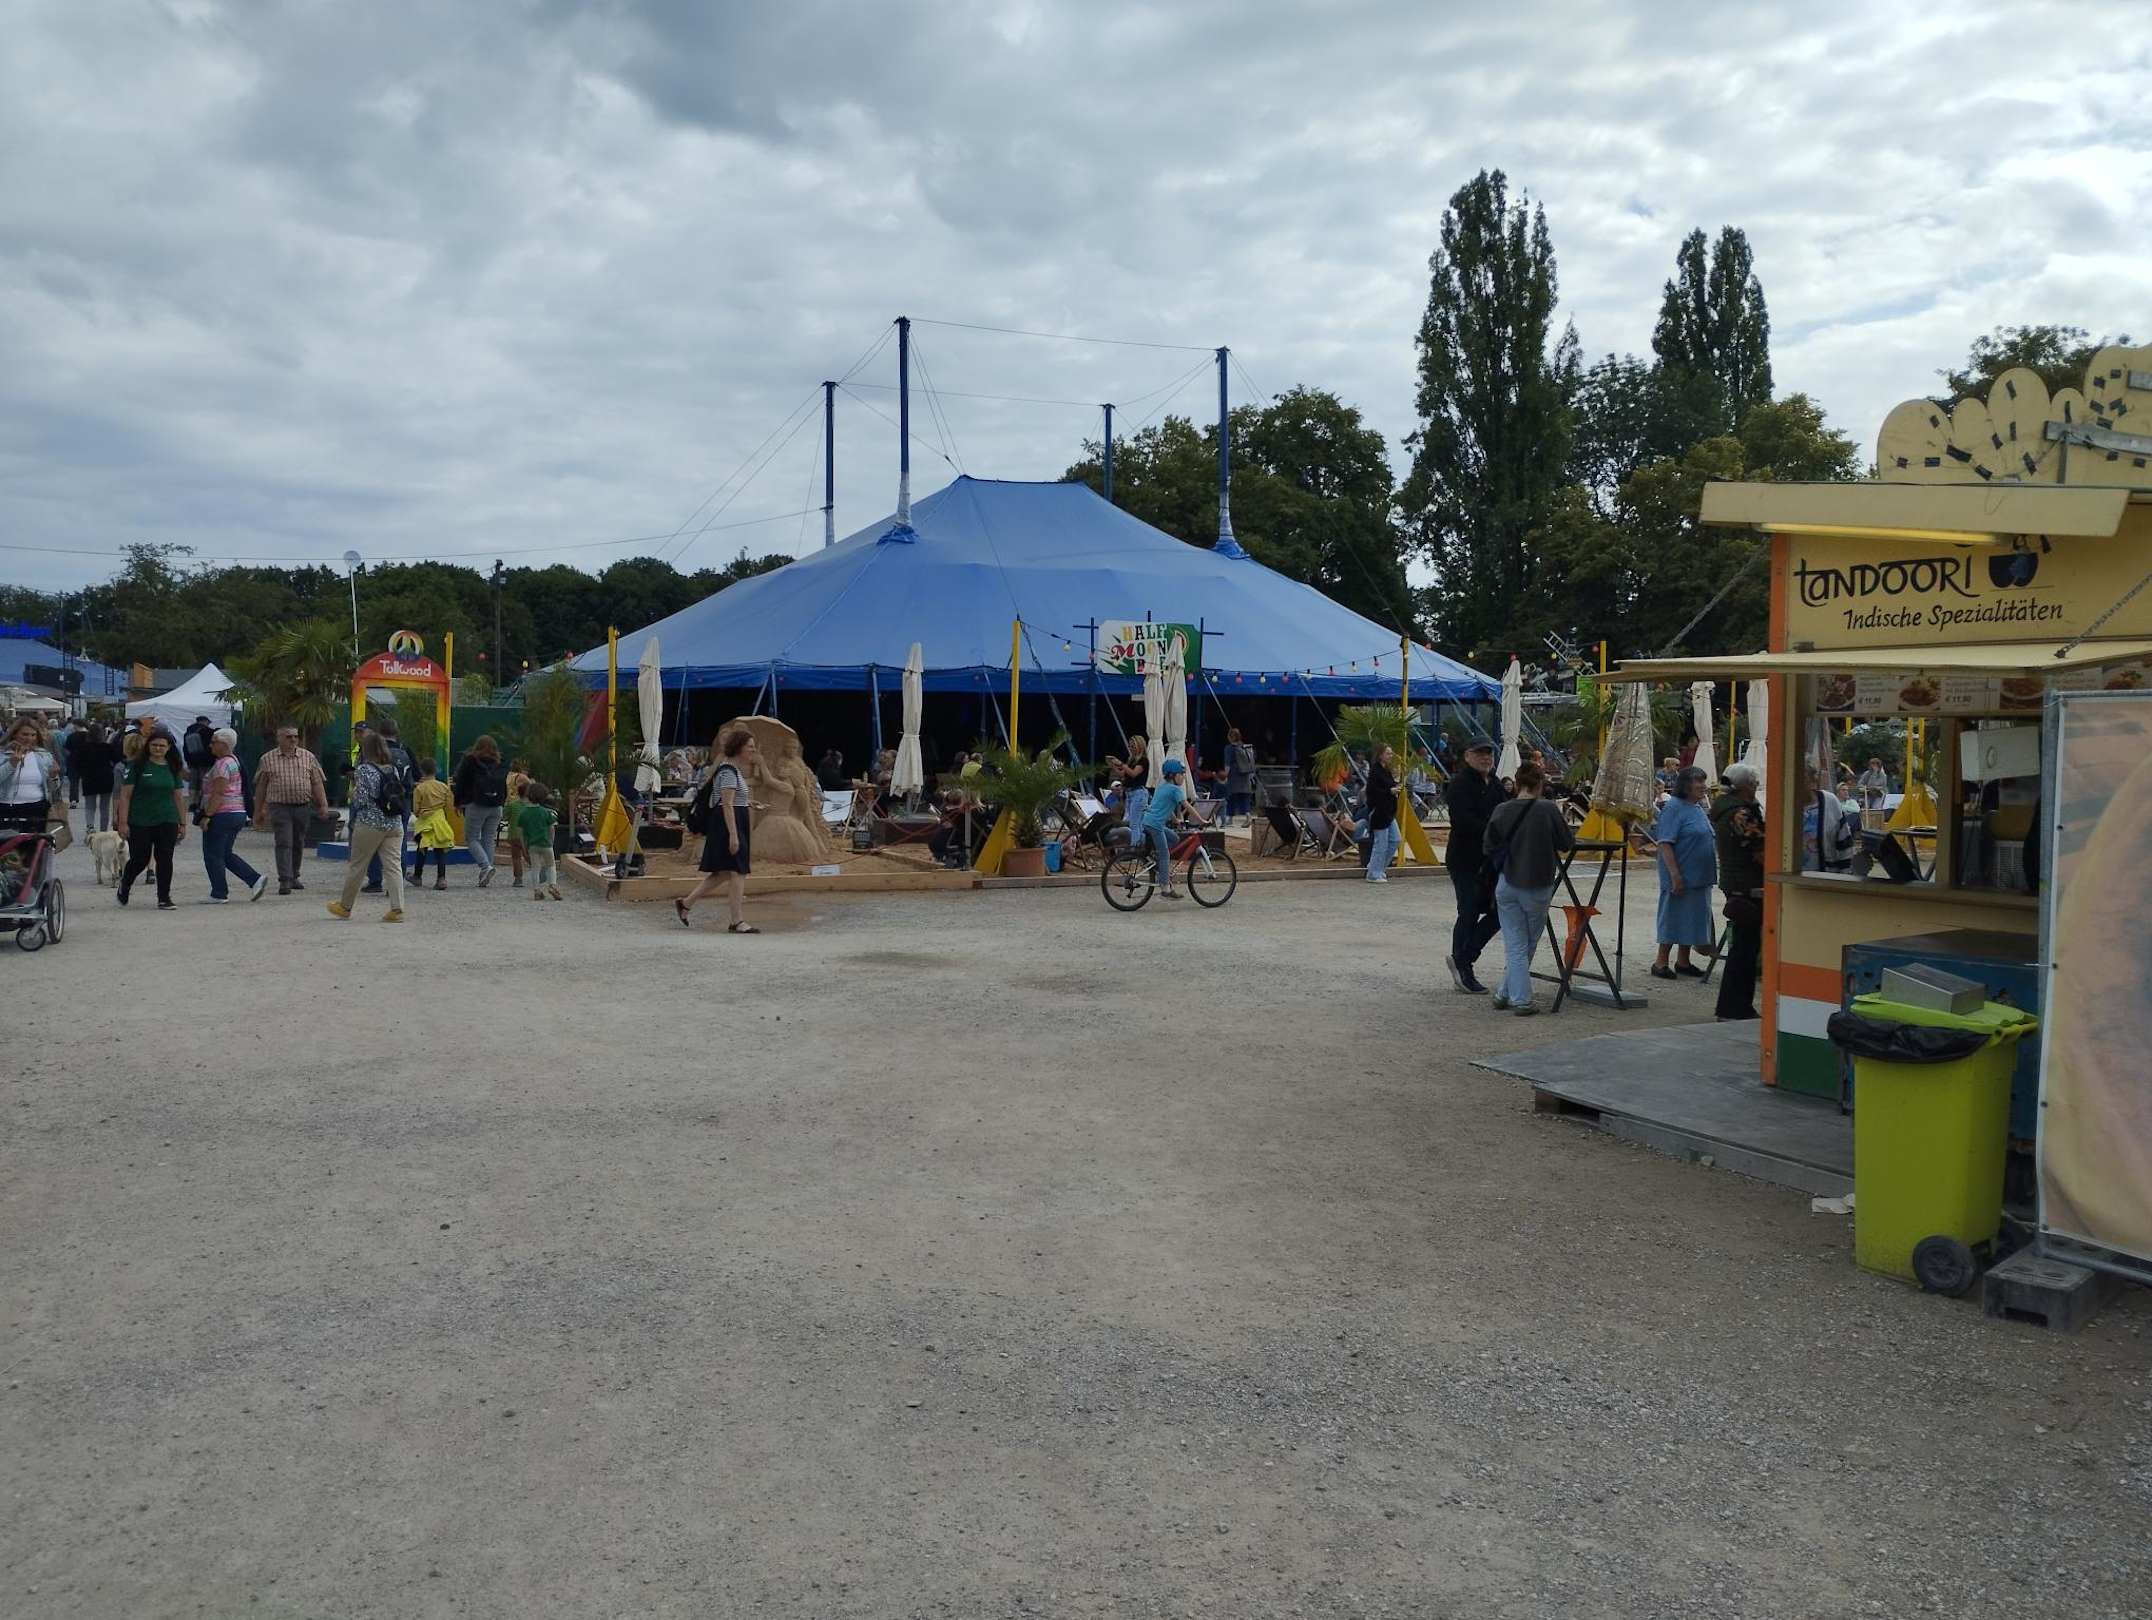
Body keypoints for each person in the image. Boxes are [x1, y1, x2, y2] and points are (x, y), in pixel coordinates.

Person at [1483, 761, 1574, 1016]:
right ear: (1540, 784)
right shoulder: (1547, 809)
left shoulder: (1502, 809)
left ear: (1517, 783)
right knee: (1527, 943)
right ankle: (1520, 999)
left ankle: (1505, 992)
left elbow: (1488, 846)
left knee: (1515, 943)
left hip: (1506, 882)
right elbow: (1566, 843)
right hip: (1536, 883)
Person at [675, 727, 758, 933]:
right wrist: (733, 835)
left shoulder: (731, 769)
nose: (753, 750)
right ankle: (737, 921)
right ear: (739, 747)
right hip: (729, 825)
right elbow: (726, 804)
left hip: (731, 822)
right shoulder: (728, 771)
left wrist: (747, 803)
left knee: (723, 872)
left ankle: (686, 903)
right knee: (737, 871)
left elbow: (729, 800)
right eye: (750, 746)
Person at [1442, 740, 1509, 995]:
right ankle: (1464, 969)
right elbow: (1462, 821)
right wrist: (1494, 832)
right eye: (1480, 753)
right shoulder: (1459, 784)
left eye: (1489, 753)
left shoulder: (1495, 784)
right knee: (1468, 912)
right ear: (1467, 756)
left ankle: (1463, 958)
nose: (1486, 758)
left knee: (1499, 911)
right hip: (1465, 860)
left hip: (1491, 861)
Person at [328, 731, 406, 922]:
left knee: (358, 865)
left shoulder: (364, 770)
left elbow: (360, 800)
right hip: (394, 823)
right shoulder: (392, 769)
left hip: (370, 823)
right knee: (393, 866)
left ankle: (345, 906)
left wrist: (352, 794)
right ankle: (397, 909)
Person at [1711, 762, 1767, 1021]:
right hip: (1747, 885)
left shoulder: (1724, 809)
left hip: (1734, 882)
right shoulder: (1742, 814)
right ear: (1745, 786)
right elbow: (1761, 852)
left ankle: (1733, 1007)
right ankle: (1735, 1008)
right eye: (1754, 783)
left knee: (1742, 947)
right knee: (1745, 949)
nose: (1756, 788)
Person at [1650, 766, 1716, 979]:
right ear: (1686, 785)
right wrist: (1675, 875)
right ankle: (1660, 962)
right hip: (1680, 875)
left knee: (1691, 918)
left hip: (1699, 877)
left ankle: (1683, 961)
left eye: (1704, 781)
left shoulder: (1696, 808)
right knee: (1673, 916)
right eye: (1699, 782)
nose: (1703, 786)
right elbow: (1665, 843)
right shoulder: (1673, 808)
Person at [252, 725, 329, 894]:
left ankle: (294, 875)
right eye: (288, 736)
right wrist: (258, 811)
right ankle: (285, 880)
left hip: (302, 806)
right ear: (279, 739)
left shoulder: (308, 757)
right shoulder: (267, 759)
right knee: (284, 841)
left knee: (298, 842)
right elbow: (261, 787)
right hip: (279, 807)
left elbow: (317, 783)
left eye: (295, 736)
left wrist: (323, 805)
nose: (293, 739)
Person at [115, 729, 187, 909]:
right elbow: (125, 796)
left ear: (169, 747)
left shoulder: (173, 767)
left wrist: (183, 823)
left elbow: (178, 796)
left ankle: (164, 897)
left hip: (167, 819)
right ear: (148, 746)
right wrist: (122, 822)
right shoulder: (136, 766)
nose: (158, 748)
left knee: (165, 858)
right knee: (140, 858)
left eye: (162, 745)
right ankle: (126, 883)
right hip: (140, 820)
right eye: (154, 745)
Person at [198, 727, 267, 903]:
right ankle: (254, 879)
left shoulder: (222, 764)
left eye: (213, 742)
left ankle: (219, 892)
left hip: (222, 813)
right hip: (237, 812)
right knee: (225, 853)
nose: (210, 745)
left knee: (212, 854)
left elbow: (218, 792)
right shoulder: (235, 761)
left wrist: (207, 815)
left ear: (224, 744)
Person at [360, 720, 415, 894]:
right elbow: (414, 776)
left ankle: (375, 880)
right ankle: (396, 884)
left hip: (379, 802)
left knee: (374, 842)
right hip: (401, 802)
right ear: (396, 732)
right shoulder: (405, 752)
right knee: (399, 844)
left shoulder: (373, 753)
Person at [451, 734, 510, 888]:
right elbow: (504, 785)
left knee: (471, 838)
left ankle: (485, 867)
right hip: (496, 805)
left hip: (476, 803)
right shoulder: (501, 763)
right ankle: (487, 871)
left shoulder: (470, 761)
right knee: (488, 838)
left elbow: (461, 782)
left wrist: (457, 802)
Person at [1, 717, 63, 836]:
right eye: (24, 734)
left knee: (35, 846)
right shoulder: (3, 755)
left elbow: (53, 789)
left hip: (37, 809)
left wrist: (53, 777)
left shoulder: (43, 755)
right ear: (14, 734)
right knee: (8, 847)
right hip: (6, 810)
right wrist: (11, 764)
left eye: (33, 735)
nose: (29, 738)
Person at [1142, 755, 1190, 898]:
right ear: (1173, 775)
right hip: (1156, 825)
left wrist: (1175, 820)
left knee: (1174, 838)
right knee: (1165, 854)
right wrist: (1202, 819)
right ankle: (1165, 888)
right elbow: (1186, 805)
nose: (1183, 777)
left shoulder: (1162, 786)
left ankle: (1155, 860)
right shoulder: (1175, 790)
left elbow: (1165, 806)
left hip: (1148, 821)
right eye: (1181, 774)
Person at [408, 758, 456, 889]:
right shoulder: (443, 786)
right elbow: (449, 805)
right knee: (440, 850)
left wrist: (420, 813)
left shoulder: (419, 788)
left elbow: (415, 809)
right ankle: (441, 879)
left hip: (424, 822)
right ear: (435, 770)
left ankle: (417, 876)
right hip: (439, 819)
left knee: (421, 849)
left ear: (422, 771)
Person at [516, 782, 563, 900]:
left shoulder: (523, 814)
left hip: (532, 845)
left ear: (528, 795)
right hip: (546, 843)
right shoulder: (546, 812)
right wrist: (551, 841)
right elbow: (551, 828)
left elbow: (520, 832)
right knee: (551, 865)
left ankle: (537, 890)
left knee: (535, 868)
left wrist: (524, 846)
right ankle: (552, 885)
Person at [1363, 743, 1400, 883]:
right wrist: (1389, 791)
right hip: (1379, 811)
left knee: (1395, 839)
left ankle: (1377, 867)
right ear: (1380, 755)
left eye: (1391, 753)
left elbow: (1390, 785)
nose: (1390, 756)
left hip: (1388, 811)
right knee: (1381, 843)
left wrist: (1395, 787)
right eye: (1388, 753)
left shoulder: (1386, 770)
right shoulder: (1375, 771)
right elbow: (1372, 791)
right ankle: (1373, 874)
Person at [77, 724, 118, 834]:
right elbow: (116, 760)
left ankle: (90, 827)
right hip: (106, 778)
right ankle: (103, 830)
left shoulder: (83, 747)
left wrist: (82, 773)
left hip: (89, 778)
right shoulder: (107, 747)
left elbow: (77, 763)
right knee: (105, 807)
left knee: (90, 805)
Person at [1107, 735, 1150, 834]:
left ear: (1139, 746)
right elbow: (1123, 774)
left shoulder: (1143, 760)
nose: (1131, 748)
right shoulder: (1132, 760)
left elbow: (1134, 773)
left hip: (1138, 793)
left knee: (1134, 822)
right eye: (1130, 746)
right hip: (1129, 793)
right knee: (1128, 820)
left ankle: (1137, 841)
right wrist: (1113, 766)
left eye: (1133, 746)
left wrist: (1121, 764)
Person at [504, 757, 532, 887]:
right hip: (527, 834)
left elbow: (505, 816)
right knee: (529, 854)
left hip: (513, 833)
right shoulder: (530, 806)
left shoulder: (509, 777)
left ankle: (518, 879)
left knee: (516, 857)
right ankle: (538, 870)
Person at [181, 715, 217, 813]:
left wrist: (188, 761)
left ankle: (192, 803)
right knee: (204, 783)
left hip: (192, 762)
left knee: (193, 783)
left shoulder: (188, 732)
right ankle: (201, 804)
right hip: (206, 762)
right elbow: (211, 747)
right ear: (205, 722)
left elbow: (185, 749)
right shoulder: (208, 732)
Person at [1223, 728, 1257, 823]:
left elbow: (1227, 764)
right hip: (1245, 776)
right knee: (1244, 797)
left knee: (1231, 797)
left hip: (1233, 776)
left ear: (1230, 737)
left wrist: (1225, 776)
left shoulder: (1229, 748)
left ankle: (1230, 818)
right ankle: (1248, 816)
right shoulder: (1245, 747)